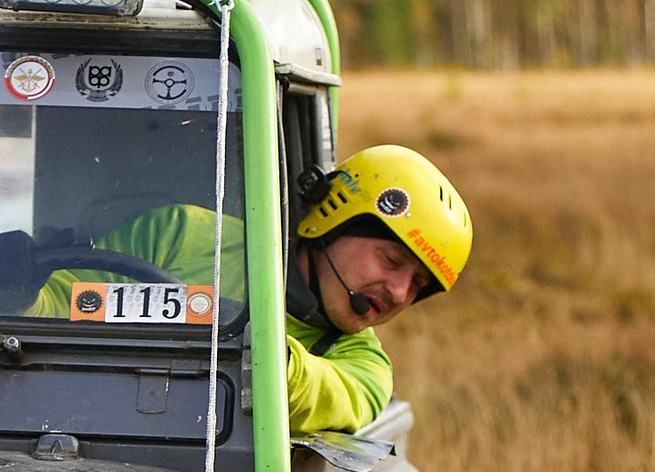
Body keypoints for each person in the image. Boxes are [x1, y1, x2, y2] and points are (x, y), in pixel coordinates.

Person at [23, 144, 472, 434]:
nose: (398, 293)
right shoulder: (184, 235)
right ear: (332, 222)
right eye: (392, 261)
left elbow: (303, 388)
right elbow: (58, 308)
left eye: (417, 285)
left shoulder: (365, 368)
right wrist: (15, 291)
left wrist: (239, 334)